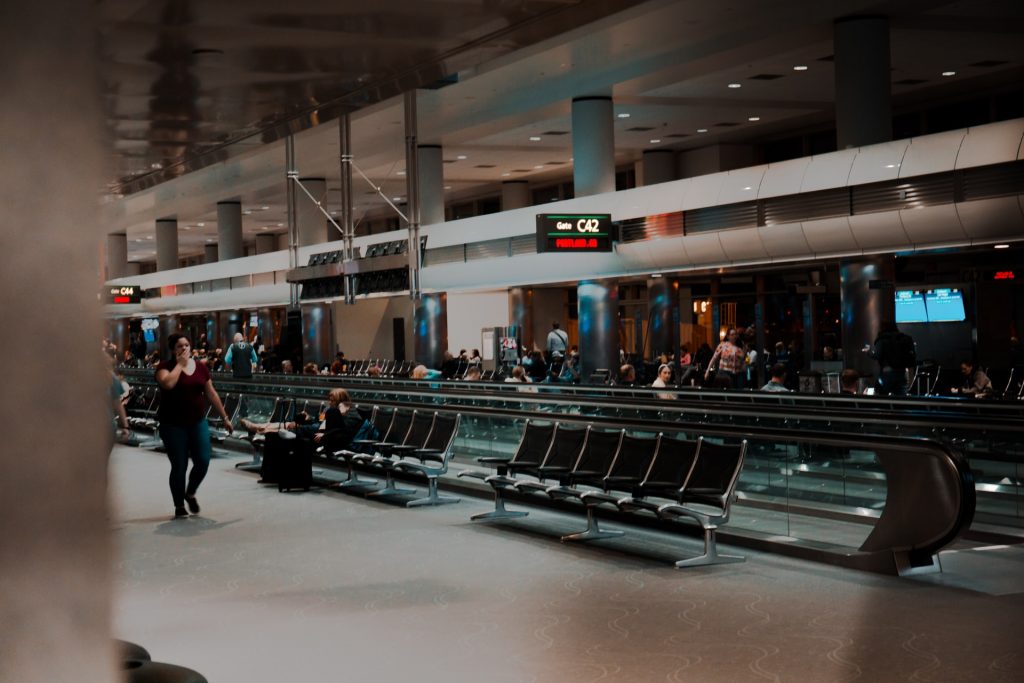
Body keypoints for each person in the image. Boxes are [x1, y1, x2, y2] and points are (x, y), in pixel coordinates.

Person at [155, 334, 233, 519]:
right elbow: (168, 384)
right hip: (173, 425)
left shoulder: (200, 368)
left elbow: (211, 393)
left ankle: (190, 492)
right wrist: (180, 366)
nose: (184, 349)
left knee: (203, 461)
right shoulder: (164, 367)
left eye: (187, 345)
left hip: (197, 422)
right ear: (173, 349)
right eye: (180, 346)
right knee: (179, 465)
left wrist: (225, 417)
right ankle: (179, 505)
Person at [867, 321, 915, 396]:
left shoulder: (882, 339)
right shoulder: (904, 338)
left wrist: (868, 352)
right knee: (900, 396)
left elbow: (877, 355)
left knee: (883, 396)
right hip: (901, 372)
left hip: (887, 372)